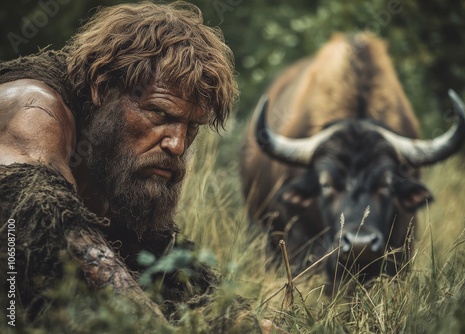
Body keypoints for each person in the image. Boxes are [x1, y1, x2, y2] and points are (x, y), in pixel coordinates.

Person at [0, 2, 272, 332]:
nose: (178, 144)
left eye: (192, 126)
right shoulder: (34, 108)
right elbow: (46, 216)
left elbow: (158, 256)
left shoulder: (114, 156)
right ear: (100, 88)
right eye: (160, 114)